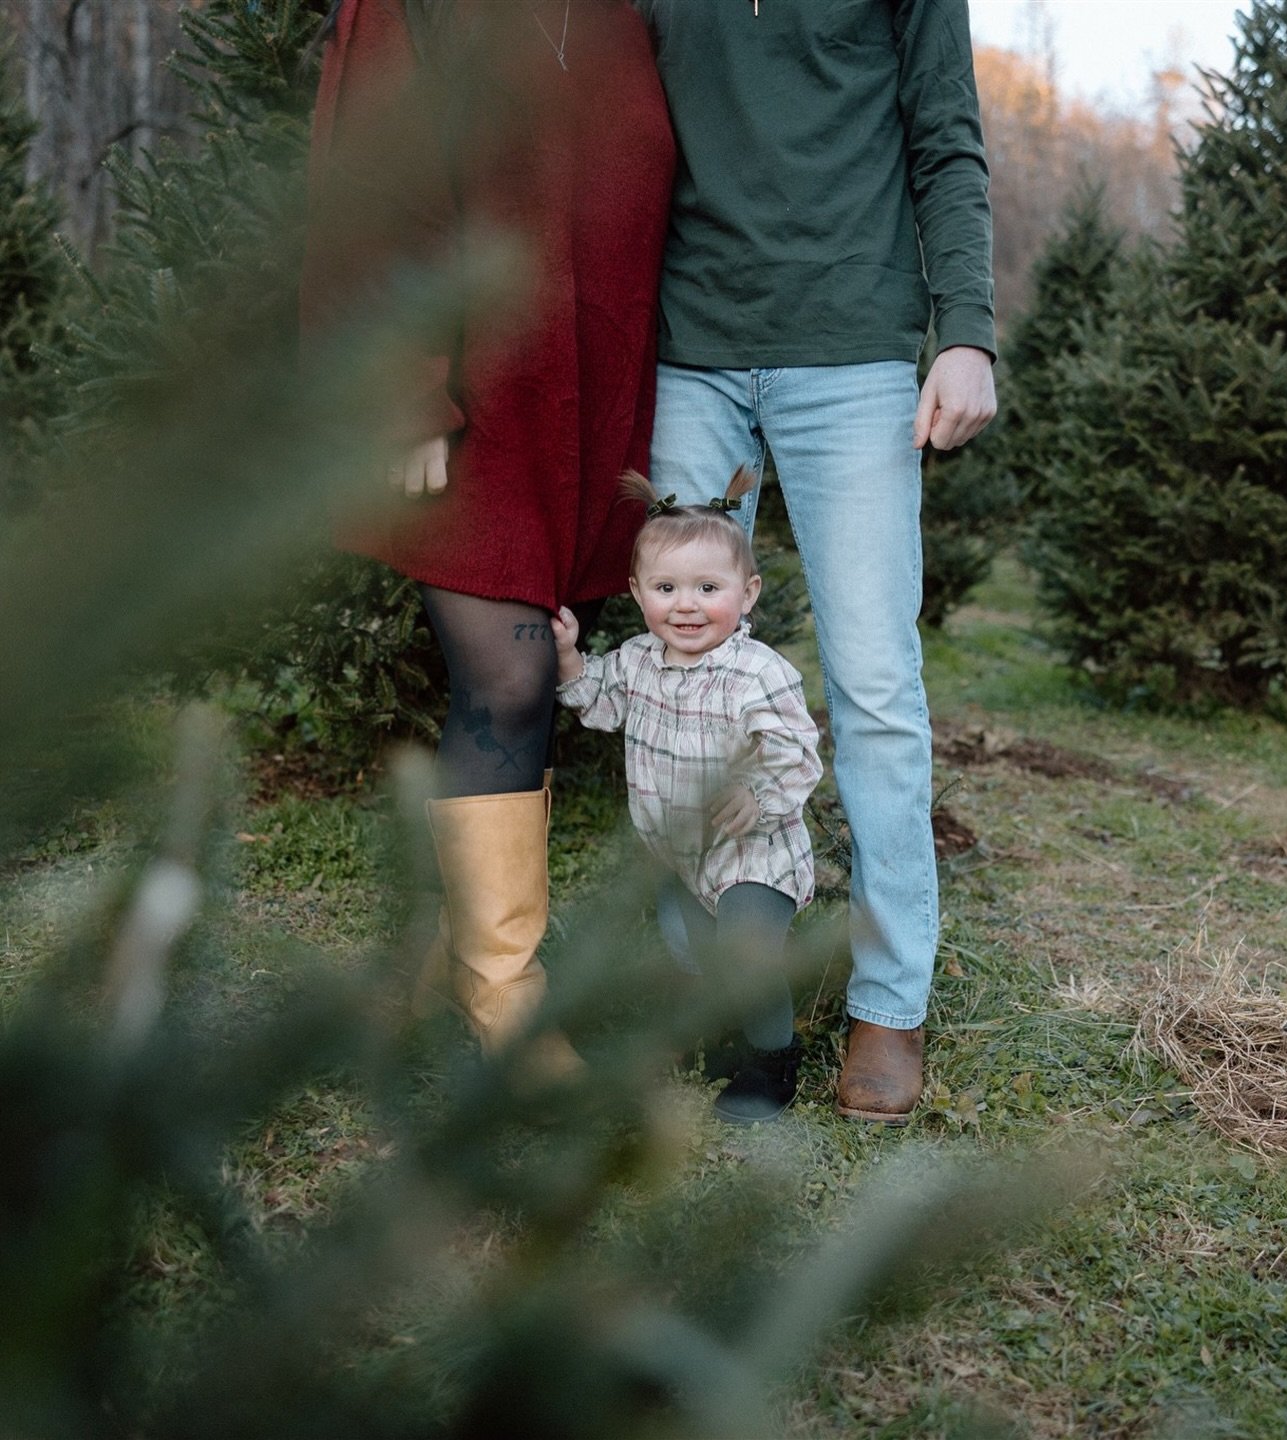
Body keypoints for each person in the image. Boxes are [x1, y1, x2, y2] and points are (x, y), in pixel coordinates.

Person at [635, 0, 998, 1122]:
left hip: (852, 347)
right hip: (691, 342)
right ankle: (706, 982)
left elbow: (945, 134)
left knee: (875, 683)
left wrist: (969, 328)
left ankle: (890, 1003)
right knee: (677, 672)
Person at [302, 0, 674, 1071]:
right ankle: (503, 1002)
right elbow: (370, 182)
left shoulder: (625, 15)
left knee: (538, 670)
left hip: (591, 402)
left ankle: (444, 961)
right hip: (474, 393)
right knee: (507, 682)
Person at [550, 468, 823, 1122]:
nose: (687, 605)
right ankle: (719, 1036)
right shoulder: (638, 660)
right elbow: (597, 701)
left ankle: (772, 1066)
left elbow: (798, 750)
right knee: (694, 954)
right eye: (667, 588)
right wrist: (567, 660)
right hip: (680, 854)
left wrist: (758, 794)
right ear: (638, 592)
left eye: (709, 588)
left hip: (754, 854)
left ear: (747, 592)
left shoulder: (758, 672)